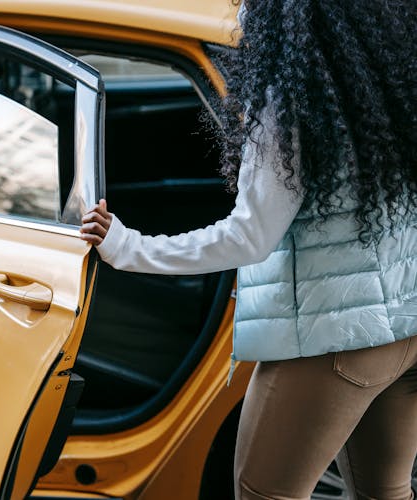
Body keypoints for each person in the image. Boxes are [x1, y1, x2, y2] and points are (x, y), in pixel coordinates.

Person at [80, 1, 417, 499]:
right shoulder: (398, 79)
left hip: (329, 340)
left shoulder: (293, 97)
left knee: (263, 494)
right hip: (406, 333)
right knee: (384, 493)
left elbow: (249, 237)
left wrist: (129, 247)